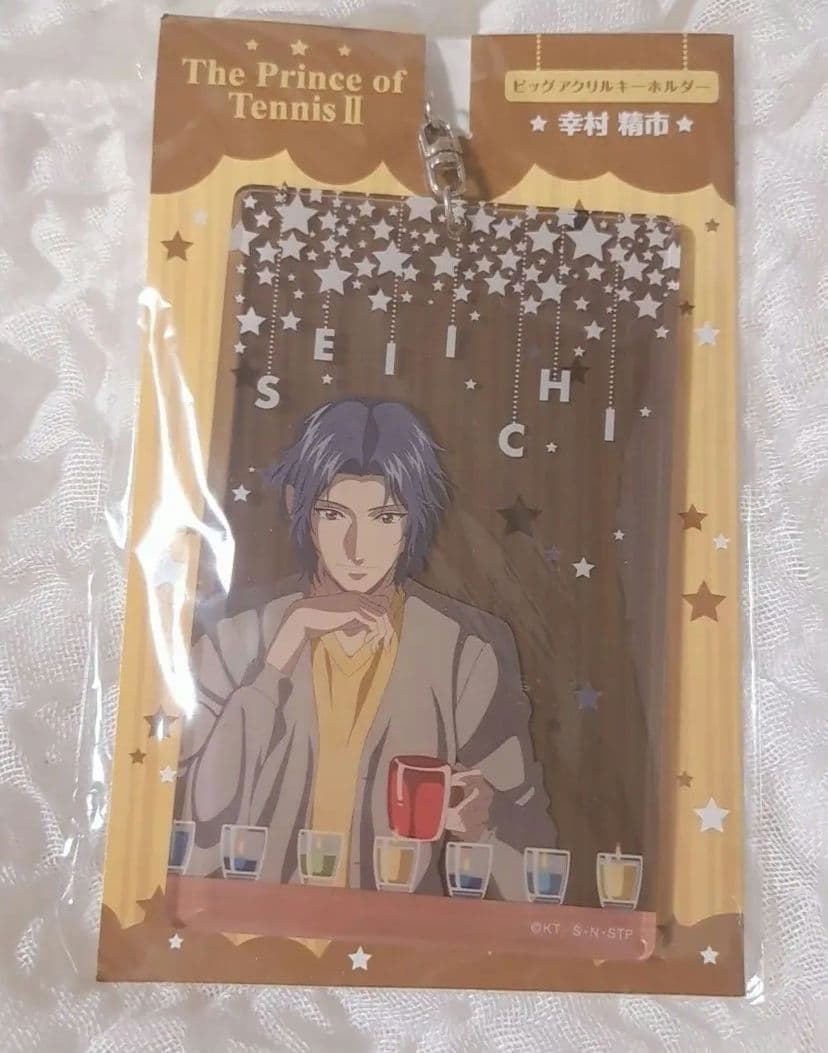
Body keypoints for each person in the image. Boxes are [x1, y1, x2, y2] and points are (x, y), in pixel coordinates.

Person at [175, 397, 557, 899]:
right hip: (251, 922)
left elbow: (532, 866)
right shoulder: (233, 636)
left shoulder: (466, 652)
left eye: (385, 518)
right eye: (335, 515)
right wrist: (280, 656)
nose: (357, 548)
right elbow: (194, 828)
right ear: (297, 505)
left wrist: (484, 822)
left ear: (412, 520)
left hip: (402, 934)